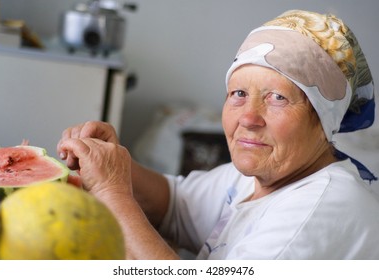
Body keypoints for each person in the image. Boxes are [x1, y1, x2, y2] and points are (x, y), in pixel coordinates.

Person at [57, 10, 379, 259]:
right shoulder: (265, 174)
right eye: (238, 93)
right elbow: (177, 205)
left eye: (277, 98)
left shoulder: (321, 209)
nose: (248, 118)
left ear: (323, 121)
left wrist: (112, 193)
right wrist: (115, 165)